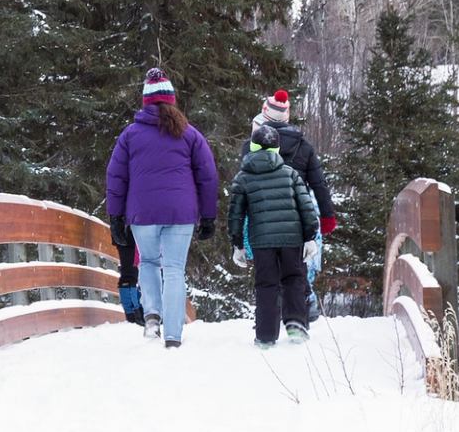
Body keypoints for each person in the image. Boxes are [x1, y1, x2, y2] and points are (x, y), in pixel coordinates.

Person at [106, 68, 219, 349]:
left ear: (145, 101)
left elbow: (116, 177)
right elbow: (207, 175)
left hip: (143, 212)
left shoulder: (130, 135)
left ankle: (152, 317)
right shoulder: (190, 134)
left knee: (148, 262)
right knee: (173, 269)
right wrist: (208, 216)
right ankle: (173, 336)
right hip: (180, 213)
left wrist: (116, 216)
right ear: (172, 100)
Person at [228, 123, 320, 348]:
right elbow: (306, 207)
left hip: (262, 242)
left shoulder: (243, 178)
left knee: (266, 285)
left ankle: (266, 335)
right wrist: (310, 237)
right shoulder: (290, 174)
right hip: (292, 238)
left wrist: (237, 244)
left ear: (253, 148)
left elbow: (235, 214)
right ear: (277, 150)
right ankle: (296, 324)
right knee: (294, 279)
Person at [251, 90, 338, 317]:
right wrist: (327, 216)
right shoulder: (303, 146)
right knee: (296, 264)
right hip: (297, 212)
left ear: (266, 114)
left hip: (263, 213)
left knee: (269, 265)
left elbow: (245, 181)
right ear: (287, 116)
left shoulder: (254, 145)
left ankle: (271, 314)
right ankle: (302, 308)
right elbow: (319, 184)